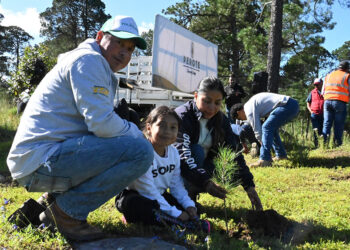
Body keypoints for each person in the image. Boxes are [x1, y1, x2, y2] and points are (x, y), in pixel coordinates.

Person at [6, 15, 154, 241]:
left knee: (118, 146)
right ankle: (65, 215)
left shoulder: (91, 62)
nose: (124, 52)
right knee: (141, 151)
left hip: (36, 158)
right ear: (100, 37)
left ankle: (49, 203)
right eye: (119, 43)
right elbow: (101, 123)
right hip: (40, 159)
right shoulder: (89, 61)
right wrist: (136, 133)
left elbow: (95, 128)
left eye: (131, 48)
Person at [174, 76, 263, 211]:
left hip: (204, 167)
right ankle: (185, 198)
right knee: (196, 150)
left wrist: (249, 186)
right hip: (179, 170)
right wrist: (205, 182)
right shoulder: (183, 116)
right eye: (207, 101)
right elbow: (183, 155)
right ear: (196, 96)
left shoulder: (221, 120)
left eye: (217, 103)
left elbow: (233, 151)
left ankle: (194, 190)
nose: (211, 108)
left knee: (230, 167)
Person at [115, 106, 206, 229]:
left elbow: (176, 186)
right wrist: (177, 213)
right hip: (135, 195)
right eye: (161, 125)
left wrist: (188, 205)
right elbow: (147, 190)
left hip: (159, 195)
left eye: (173, 127)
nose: (167, 131)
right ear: (149, 128)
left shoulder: (173, 153)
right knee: (139, 205)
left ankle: (166, 219)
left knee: (195, 208)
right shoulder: (143, 152)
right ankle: (137, 217)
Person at [230, 92, 299, 167]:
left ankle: (265, 159)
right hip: (291, 104)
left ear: (239, 112)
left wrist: (261, 142)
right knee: (272, 128)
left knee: (266, 127)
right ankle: (281, 155)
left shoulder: (248, 110)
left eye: (240, 118)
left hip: (287, 105)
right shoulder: (249, 105)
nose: (243, 120)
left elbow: (257, 130)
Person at [322, 60, 350, 147]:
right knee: (338, 123)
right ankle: (337, 144)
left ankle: (324, 144)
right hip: (339, 102)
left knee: (327, 123)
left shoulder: (329, 75)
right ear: (347, 68)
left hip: (327, 101)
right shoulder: (347, 76)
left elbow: (323, 91)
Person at [306, 78, 324, 148]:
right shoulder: (312, 92)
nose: (316, 86)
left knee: (322, 129)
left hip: (323, 114)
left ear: (321, 83)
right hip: (314, 114)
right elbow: (308, 103)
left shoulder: (324, 92)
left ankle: (323, 145)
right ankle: (316, 145)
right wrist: (311, 111)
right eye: (315, 84)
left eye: (318, 84)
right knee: (315, 130)